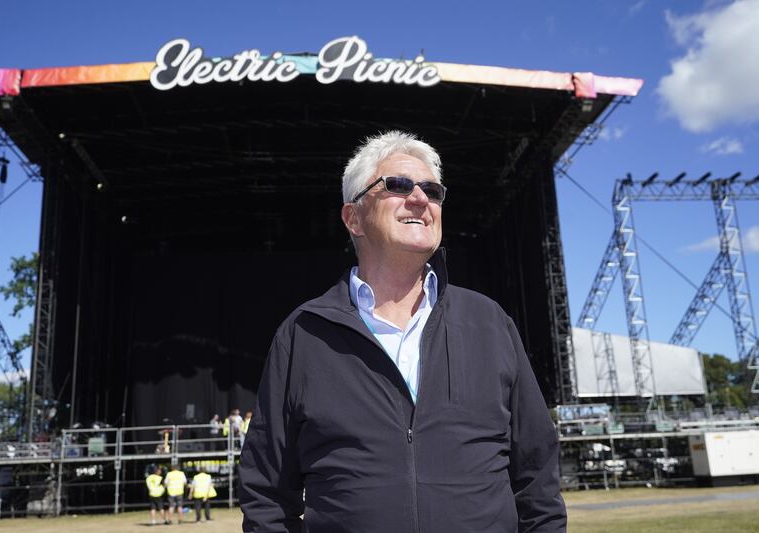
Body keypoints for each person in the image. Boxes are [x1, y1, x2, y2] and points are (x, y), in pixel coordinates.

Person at [239, 131, 566, 532]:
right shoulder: (303, 334)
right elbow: (267, 494)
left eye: (432, 190)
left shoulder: (490, 323)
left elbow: (538, 479)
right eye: (398, 185)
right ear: (353, 218)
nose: (420, 198)